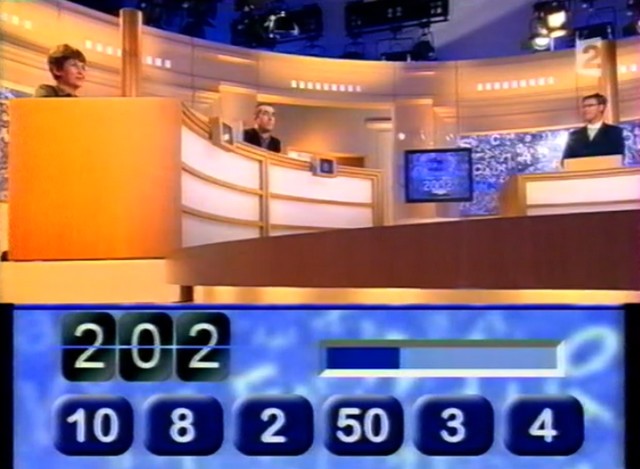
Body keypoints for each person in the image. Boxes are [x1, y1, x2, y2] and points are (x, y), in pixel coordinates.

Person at [562, 93, 625, 160]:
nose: (586, 109)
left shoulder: (614, 132)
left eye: (590, 106)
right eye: (584, 107)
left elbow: (618, 158)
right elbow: (566, 161)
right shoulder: (575, 135)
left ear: (601, 107)